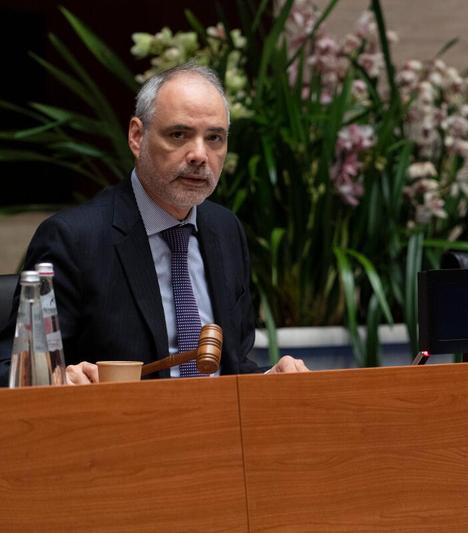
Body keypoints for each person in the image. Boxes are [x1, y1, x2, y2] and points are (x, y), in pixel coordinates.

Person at [0, 63, 307, 384]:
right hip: (123, 429)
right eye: (179, 134)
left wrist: (270, 379)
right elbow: (12, 370)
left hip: (219, 429)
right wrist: (61, 377)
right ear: (137, 136)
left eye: (215, 138)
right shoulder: (74, 239)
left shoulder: (225, 229)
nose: (200, 155)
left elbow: (232, 366)